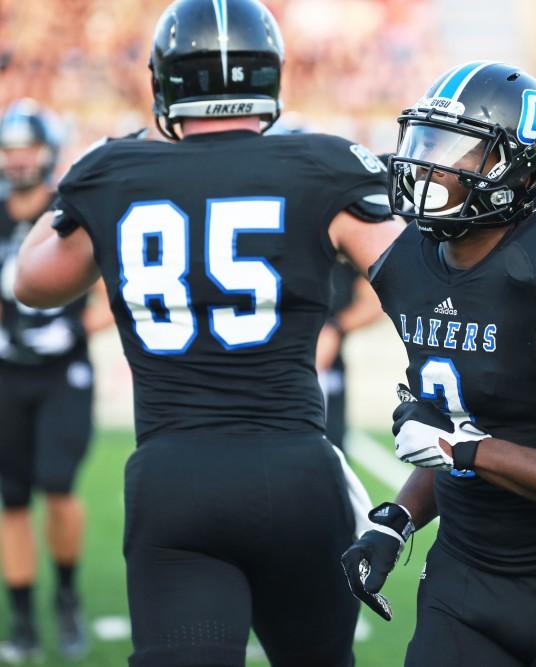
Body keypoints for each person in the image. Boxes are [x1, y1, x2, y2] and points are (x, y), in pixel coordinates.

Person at [12, 1, 402, 665]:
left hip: (176, 477)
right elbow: (415, 276)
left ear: (166, 83)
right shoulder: (323, 165)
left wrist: (90, 183)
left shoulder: (113, 171)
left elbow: (31, 281)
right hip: (295, 470)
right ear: (269, 76)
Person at [340, 62, 536, 667]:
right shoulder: (411, 265)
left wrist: (466, 452)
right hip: (462, 581)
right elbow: (455, 423)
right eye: (425, 143)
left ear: (516, 168)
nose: (428, 165)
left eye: (454, 150)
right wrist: (395, 519)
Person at [0, 99, 113, 662]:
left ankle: (65, 596)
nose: (19, 160)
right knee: (12, 498)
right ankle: (21, 612)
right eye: (10, 148)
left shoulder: (68, 210)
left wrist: (69, 330)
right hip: (6, 375)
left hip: (61, 370)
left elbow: (114, 293)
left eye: (28, 147)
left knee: (58, 486)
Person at [317, 260, 384, 450]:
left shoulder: (338, 248)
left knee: (329, 447)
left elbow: (374, 302)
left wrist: (335, 328)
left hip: (326, 369)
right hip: (275, 363)